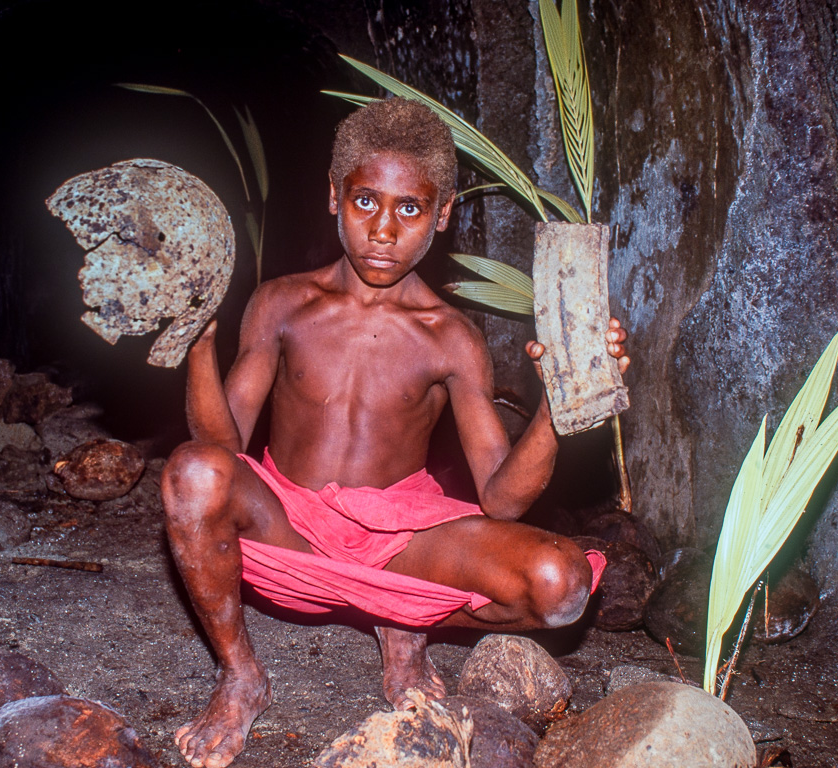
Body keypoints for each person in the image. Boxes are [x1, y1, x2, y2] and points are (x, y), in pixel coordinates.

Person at [160, 97, 629, 768]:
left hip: (396, 539)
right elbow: (222, 443)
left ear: (440, 216)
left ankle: (402, 621)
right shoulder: (281, 304)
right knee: (192, 471)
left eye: (409, 209)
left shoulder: (452, 340)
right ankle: (241, 676)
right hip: (284, 526)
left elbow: (501, 499)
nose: (383, 229)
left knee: (560, 588)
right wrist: (198, 340)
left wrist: (561, 405)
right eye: (365, 202)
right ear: (333, 197)